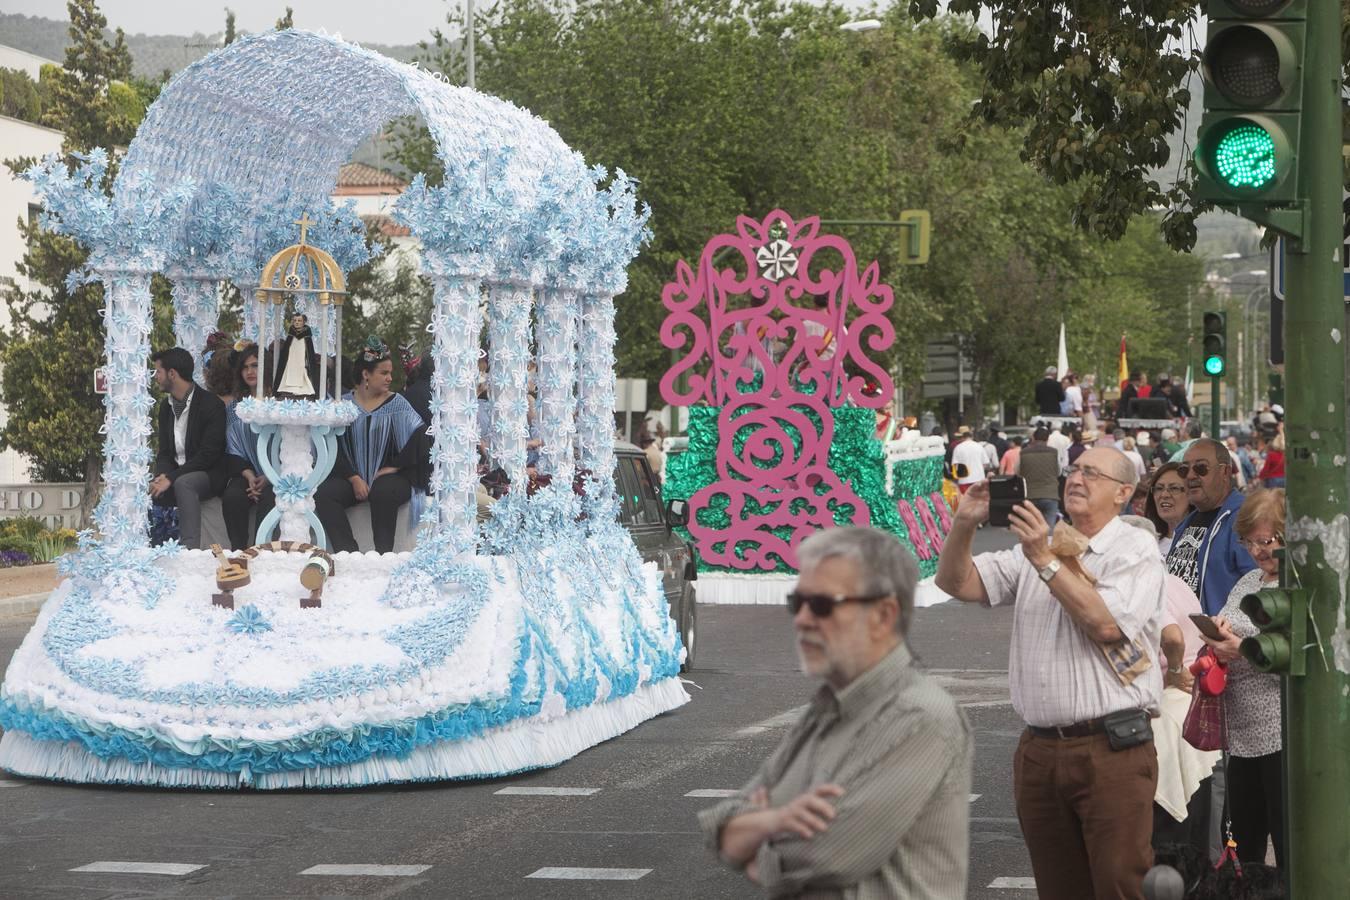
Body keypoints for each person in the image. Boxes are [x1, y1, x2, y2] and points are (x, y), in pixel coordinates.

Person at [935, 448, 1165, 900]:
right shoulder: (1046, 544)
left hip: (1111, 749)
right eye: (1075, 470)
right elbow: (956, 582)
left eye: (1092, 473)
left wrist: (1043, 558)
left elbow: (1106, 624)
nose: (1076, 479)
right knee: (1059, 888)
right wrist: (963, 524)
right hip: (1039, 749)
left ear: (1123, 493)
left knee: (1121, 883)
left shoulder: (1133, 548)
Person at [699, 527, 972, 898]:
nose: (803, 620)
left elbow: (827, 854)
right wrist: (774, 820)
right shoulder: (825, 708)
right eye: (799, 603)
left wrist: (756, 841)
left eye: (823, 605)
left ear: (883, 614)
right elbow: (721, 827)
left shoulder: (921, 717)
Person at [1197, 488, 1286, 869]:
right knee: (1241, 840)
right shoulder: (1249, 581)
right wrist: (1215, 633)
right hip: (1242, 735)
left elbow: (1299, 652)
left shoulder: (1298, 583)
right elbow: (1228, 620)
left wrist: (1243, 649)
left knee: (1287, 841)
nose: (1257, 551)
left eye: (1265, 541)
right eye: (1248, 542)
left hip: (1282, 733)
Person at [315, 337, 429, 553]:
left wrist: (394, 466)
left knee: (384, 491)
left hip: (389, 480)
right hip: (353, 478)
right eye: (383, 373)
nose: (389, 378)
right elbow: (331, 445)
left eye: (390, 373)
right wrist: (354, 477)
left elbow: (421, 435)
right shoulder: (344, 405)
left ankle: (382, 554)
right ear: (366, 374)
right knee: (324, 494)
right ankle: (348, 553)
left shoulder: (397, 403)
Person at [1165, 439, 1255, 616]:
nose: (1190, 476)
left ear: (1225, 472)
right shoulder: (1187, 521)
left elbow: (1258, 585)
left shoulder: (1244, 518)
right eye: (1184, 469)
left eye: (1200, 468)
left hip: (1217, 639)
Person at [150, 347, 228, 550]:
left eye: (158, 371)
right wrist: (161, 476)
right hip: (177, 472)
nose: (156, 377)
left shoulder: (211, 404)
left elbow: (208, 455)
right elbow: (166, 452)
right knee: (149, 487)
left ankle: (189, 549)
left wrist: (172, 478)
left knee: (184, 483)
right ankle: (153, 550)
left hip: (208, 474)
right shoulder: (166, 407)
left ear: (172, 374)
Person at [220, 342, 275, 551]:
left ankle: (260, 552)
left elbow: (291, 445)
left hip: (277, 475)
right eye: (245, 367)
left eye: (255, 366)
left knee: (271, 497)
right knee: (233, 496)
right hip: (247, 474)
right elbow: (232, 449)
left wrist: (269, 476)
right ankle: (239, 552)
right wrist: (250, 477)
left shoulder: (280, 403)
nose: (250, 372)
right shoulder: (235, 408)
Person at [1145, 462, 1191, 556]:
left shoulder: (1205, 542)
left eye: (1174, 488)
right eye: (1159, 488)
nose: (1164, 495)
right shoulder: (1145, 541)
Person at [1017, 427, 1061, 524]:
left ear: (1033, 438)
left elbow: (1017, 472)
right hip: (1050, 494)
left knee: (1032, 527)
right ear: (1047, 438)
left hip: (1030, 495)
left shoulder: (1023, 453)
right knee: (1049, 528)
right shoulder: (1054, 452)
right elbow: (1059, 471)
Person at [271, 312, 320, 399]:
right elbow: (286, 349)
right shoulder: (291, 333)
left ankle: (303, 389)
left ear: (304, 322)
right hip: (291, 359)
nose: (297, 322)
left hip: (301, 359)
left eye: (299, 320)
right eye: (295, 320)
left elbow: (309, 352)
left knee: (301, 371)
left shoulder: (306, 334)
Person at [950, 426, 986, 494]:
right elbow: (985, 464)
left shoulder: (958, 448)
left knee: (966, 502)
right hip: (979, 480)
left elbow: (955, 466)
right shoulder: (979, 446)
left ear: (962, 436)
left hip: (964, 481)